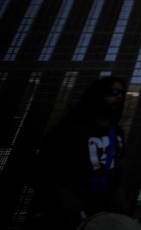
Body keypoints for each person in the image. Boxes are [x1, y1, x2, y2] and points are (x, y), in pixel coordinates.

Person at [30, 76, 130, 230]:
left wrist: (120, 190)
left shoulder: (117, 132)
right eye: (113, 92)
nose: (119, 97)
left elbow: (121, 163)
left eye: (122, 93)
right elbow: (36, 172)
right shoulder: (72, 130)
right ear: (97, 95)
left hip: (100, 209)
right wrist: (65, 197)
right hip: (65, 215)